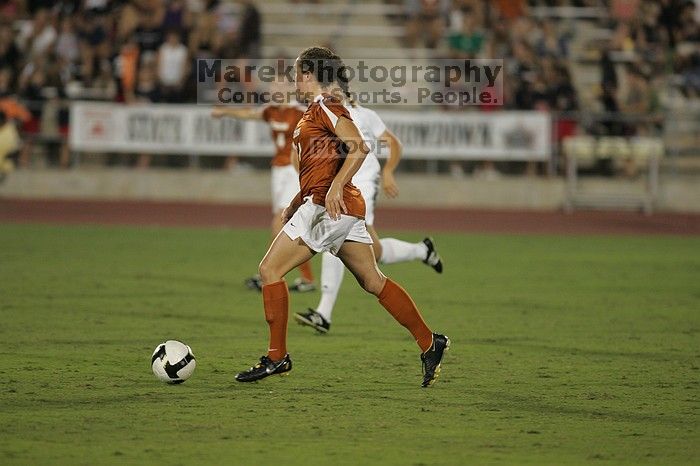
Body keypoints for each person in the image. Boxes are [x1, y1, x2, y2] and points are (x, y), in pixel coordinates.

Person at [234, 46, 449, 387]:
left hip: (326, 208)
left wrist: (335, 187)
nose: (293, 78)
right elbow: (320, 166)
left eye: (296, 72)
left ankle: (277, 357)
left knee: (269, 270)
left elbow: (360, 146)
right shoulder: (313, 111)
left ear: (308, 74)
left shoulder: (326, 106)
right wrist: (296, 200)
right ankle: (430, 342)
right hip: (336, 207)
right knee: (373, 280)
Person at [293, 86, 443, 334]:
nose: (330, 92)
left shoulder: (362, 114)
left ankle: (323, 313)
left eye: (335, 88)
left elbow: (393, 143)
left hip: (362, 181)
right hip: (341, 182)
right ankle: (422, 250)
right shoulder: (321, 112)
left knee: (335, 234)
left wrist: (388, 171)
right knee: (373, 251)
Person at [212, 79, 315, 292]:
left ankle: (268, 272)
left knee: (280, 221)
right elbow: (250, 114)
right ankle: (305, 278)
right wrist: (224, 112)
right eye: (271, 88)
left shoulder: (300, 113)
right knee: (289, 224)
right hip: (278, 171)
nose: (272, 91)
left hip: (293, 171)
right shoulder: (270, 111)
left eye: (278, 87)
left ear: (289, 90)